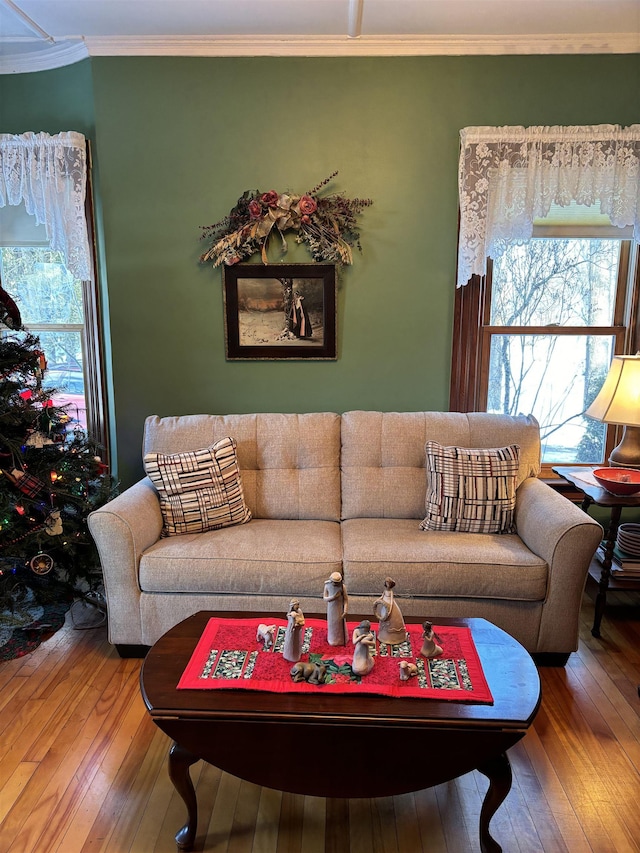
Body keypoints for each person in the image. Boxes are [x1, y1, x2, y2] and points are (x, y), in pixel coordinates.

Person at [372, 577, 408, 645]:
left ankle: (394, 637)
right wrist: (377, 600)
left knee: (391, 619)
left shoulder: (390, 592)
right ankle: (383, 635)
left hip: (389, 606)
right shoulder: (385, 591)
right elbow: (382, 597)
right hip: (384, 606)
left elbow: (391, 601)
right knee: (383, 619)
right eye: (386, 583)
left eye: (388, 583)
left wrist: (390, 609)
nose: (387, 584)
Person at [323, 571, 349, 645]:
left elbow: (346, 599)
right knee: (332, 624)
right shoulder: (327, 586)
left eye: (337, 583)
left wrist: (345, 610)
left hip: (339, 609)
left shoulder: (342, 587)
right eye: (334, 582)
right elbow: (325, 598)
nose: (335, 584)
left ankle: (341, 640)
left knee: (339, 624)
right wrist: (333, 597)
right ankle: (332, 639)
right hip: (331, 609)